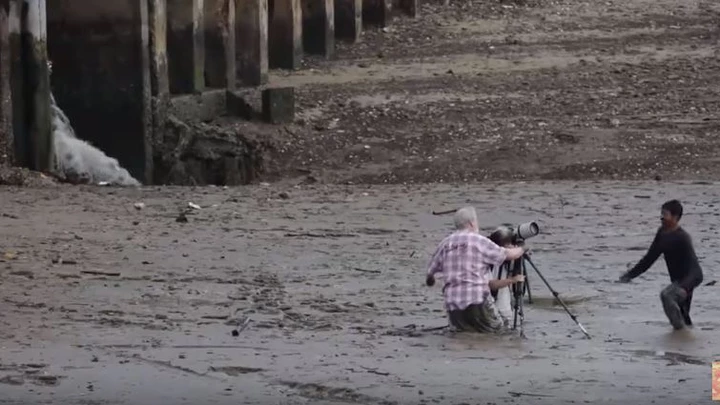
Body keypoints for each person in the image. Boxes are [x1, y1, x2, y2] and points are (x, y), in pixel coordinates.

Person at [425, 207, 526, 333]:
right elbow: (508, 255)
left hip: (452, 304)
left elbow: (430, 273)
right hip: (477, 300)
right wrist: (522, 248)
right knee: (498, 332)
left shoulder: (445, 243)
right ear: (472, 223)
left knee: (462, 335)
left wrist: (431, 281)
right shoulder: (478, 240)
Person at [618, 199, 704, 330]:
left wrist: (685, 286)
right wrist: (629, 276)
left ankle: (680, 332)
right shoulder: (662, 234)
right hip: (678, 280)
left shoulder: (683, 238)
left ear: (675, 217)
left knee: (667, 295)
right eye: (661, 213)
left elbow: (693, 266)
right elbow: (649, 259)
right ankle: (686, 336)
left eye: (665, 214)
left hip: (691, 278)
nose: (662, 217)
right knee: (684, 314)